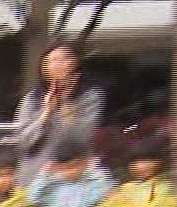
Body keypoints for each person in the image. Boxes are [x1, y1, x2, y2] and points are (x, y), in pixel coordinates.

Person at [11, 42, 106, 187]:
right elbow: (23, 141)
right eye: (52, 60)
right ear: (44, 68)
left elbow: (80, 139)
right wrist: (46, 113)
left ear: (76, 63)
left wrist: (65, 104)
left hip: (76, 175)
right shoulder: (32, 98)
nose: (58, 64)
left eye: (64, 59)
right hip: (36, 177)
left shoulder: (89, 96)